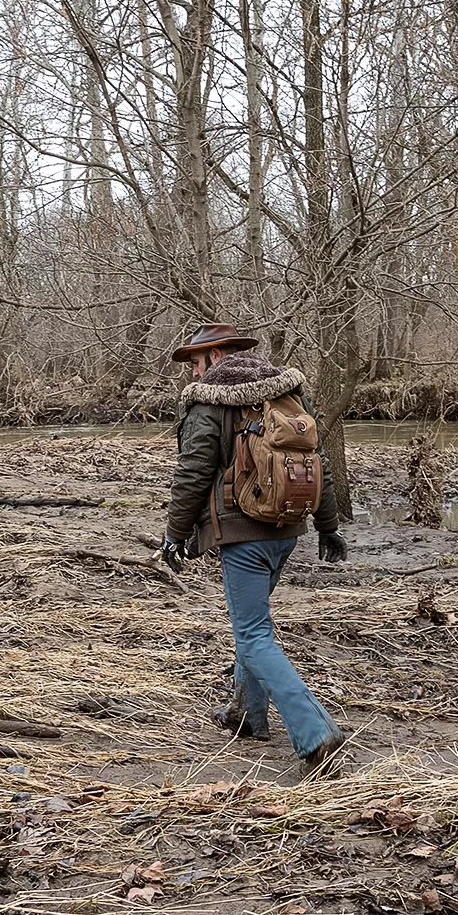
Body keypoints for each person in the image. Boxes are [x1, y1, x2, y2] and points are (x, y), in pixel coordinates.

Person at [159, 323, 348, 770]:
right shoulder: (286, 394)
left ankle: (315, 730)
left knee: (253, 633)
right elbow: (314, 464)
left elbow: (192, 474)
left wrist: (174, 534)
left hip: (243, 535)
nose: (192, 370)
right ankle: (248, 715)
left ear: (215, 355)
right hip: (285, 531)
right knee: (253, 624)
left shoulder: (210, 402)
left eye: (195, 360)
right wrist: (328, 526)